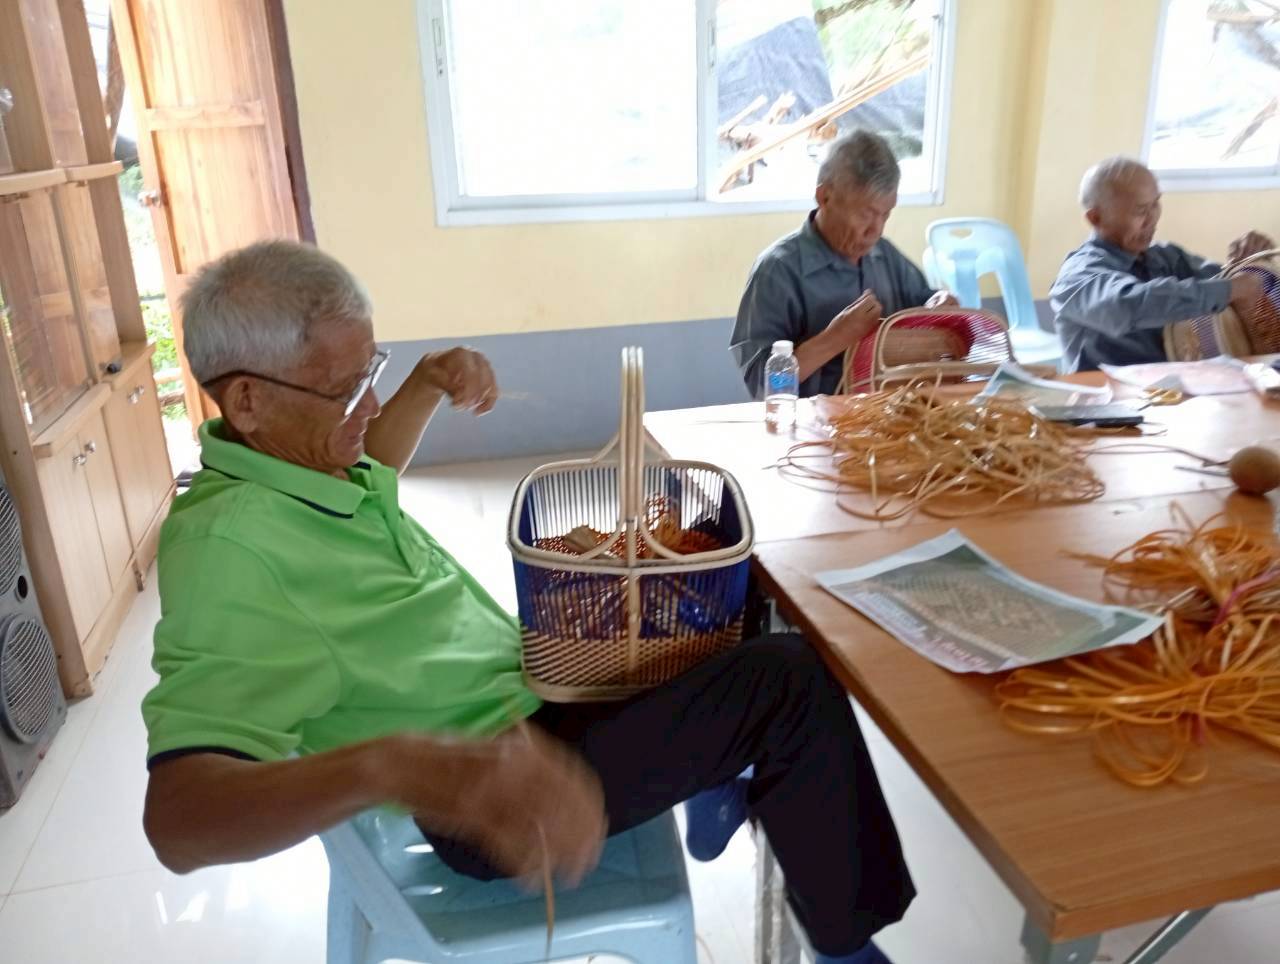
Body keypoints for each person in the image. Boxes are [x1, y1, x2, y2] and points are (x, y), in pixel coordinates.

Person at [139, 240, 914, 964]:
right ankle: (846, 950)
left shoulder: (301, 467)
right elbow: (178, 821)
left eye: (371, 372)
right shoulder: (226, 552)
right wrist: (393, 766)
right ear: (248, 401)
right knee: (789, 680)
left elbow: (371, 464)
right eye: (345, 391)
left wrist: (426, 381)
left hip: (531, 694)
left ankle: (715, 788)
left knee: (720, 591)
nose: (368, 406)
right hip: (492, 794)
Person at [730, 129, 957, 398]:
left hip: (887, 415)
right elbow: (762, 386)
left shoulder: (884, 256)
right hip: (813, 421)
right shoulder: (778, 270)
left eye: (885, 215)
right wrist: (835, 339)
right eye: (865, 214)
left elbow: (925, 302)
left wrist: (939, 304)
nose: (876, 230)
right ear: (824, 197)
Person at [1049, 156, 1271, 372]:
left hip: (1170, 388)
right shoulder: (1077, 276)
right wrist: (1231, 288)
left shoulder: (1167, 257)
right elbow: (1129, 304)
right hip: (1103, 394)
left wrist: (1249, 262)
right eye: (1141, 210)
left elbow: (1228, 284)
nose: (1152, 219)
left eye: (1156, 204)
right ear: (1095, 218)